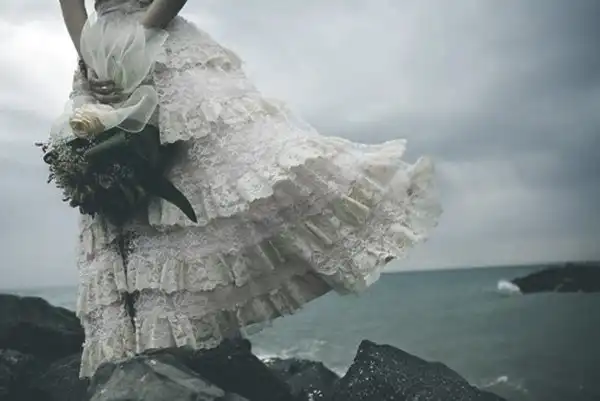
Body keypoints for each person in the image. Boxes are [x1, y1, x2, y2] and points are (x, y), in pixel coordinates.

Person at [58, 0, 442, 378]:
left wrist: (138, 38)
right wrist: (91, 62)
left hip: (149, 37)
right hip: (103, 58)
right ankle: (140, 353)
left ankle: (167, 355)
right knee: (115, 188)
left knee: (233, 170)